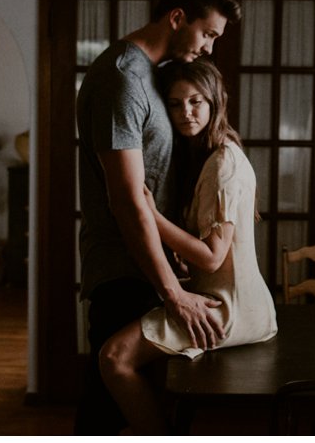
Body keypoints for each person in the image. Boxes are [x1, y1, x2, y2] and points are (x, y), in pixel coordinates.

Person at [74, 0, 242, 435]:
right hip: (125, 276)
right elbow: (128, 199)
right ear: (177, 18)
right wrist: (174, 294)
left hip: (151, 272)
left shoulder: (155, 77)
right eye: (207, 34)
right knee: (107, 421)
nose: (209, 47)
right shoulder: (122, 80)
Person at [98, 58, 278, 434]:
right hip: (230, 298)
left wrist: (150, 215)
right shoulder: (210, 156)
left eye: (196, 101)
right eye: (176, 104)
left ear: (214, 102)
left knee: (114, 357)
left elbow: (213, 257)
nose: (186, 112)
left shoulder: (223, 162)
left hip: (230, 307)